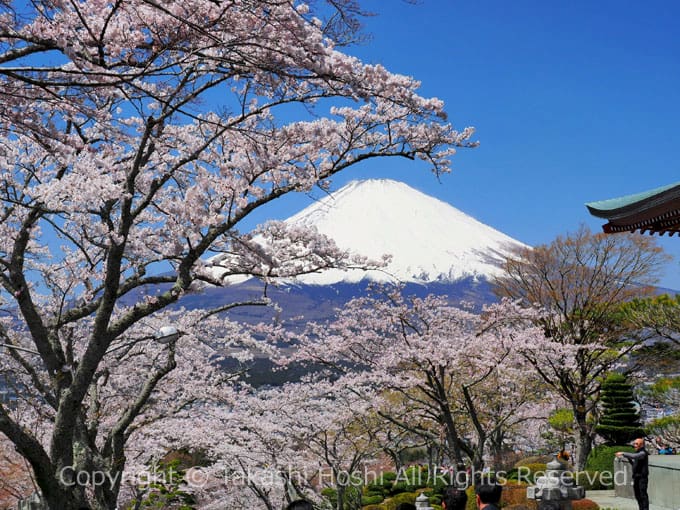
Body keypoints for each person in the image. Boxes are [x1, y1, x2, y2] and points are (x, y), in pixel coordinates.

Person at [616, 437, 649, 510]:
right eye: (634, 443)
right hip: (636, 477)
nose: (634, 445)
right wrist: (625, 458)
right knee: (638, 495)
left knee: (643, 495)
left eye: (636, 444)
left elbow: (635, 456)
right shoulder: (637, 452)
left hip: (642, 478)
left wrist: (623, 453)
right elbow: (634, 463)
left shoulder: (643, 453)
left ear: (642, 445)